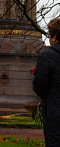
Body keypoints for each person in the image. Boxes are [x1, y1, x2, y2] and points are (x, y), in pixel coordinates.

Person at [33, 18, 60, 146]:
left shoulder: (47, 56)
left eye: (49, 35)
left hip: (55, 114)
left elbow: (39, 86)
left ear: (54, 37)